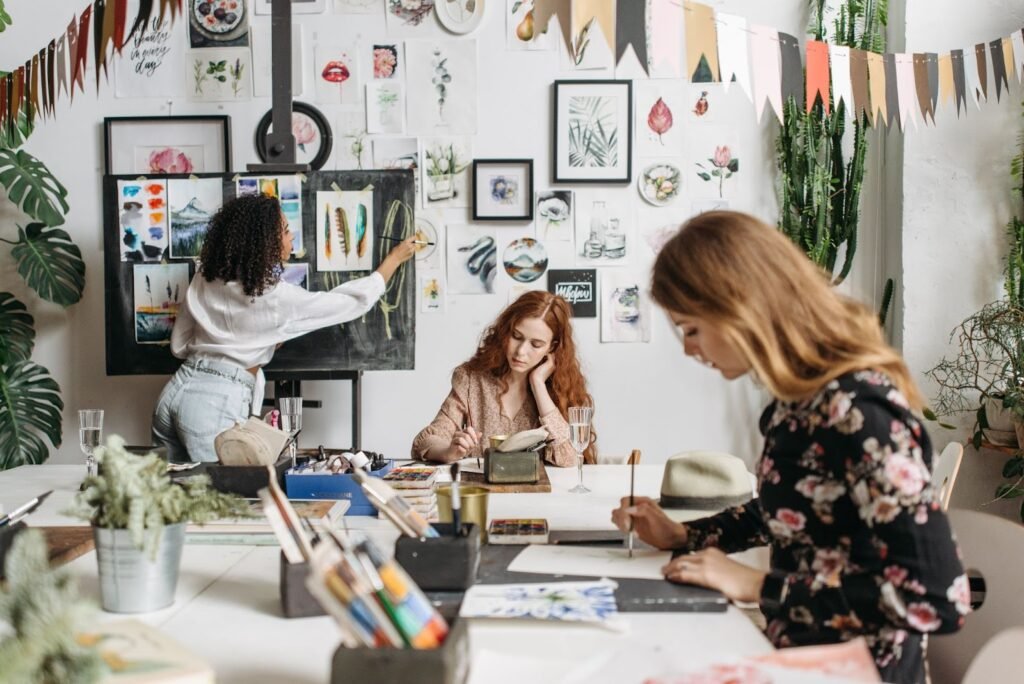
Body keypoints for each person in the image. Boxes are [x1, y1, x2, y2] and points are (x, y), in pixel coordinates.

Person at [611, 211, 967, 683]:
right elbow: (796, 510)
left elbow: (936, 598)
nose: (688, 349)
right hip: (797, 658)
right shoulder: (800, 400)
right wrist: (685, 535)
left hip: (856, 672)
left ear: (739, 307)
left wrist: (757, 583)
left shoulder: (858, 413)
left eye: (691, 329)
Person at [152, 194, 417, 463]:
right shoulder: (275, 298)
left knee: (169, 497)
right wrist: (394, 259)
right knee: (223, 499)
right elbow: (350, 302)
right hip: (214, 403)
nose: (292, 239)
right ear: (265, 242)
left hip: (177, 389)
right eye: (287, 231)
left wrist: (252, 340)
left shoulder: (204, 276)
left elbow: (181, 342)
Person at [411, 291, 594, 466]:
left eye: (536, 345)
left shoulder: (560, 387)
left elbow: (570, 458)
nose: (521, 351)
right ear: (505, 331)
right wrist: (448, 452)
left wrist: (538, 384)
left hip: (538, 496)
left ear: (551, 348)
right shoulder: (471, 379)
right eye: (516, 336)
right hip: (485, 493)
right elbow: (426, 441)